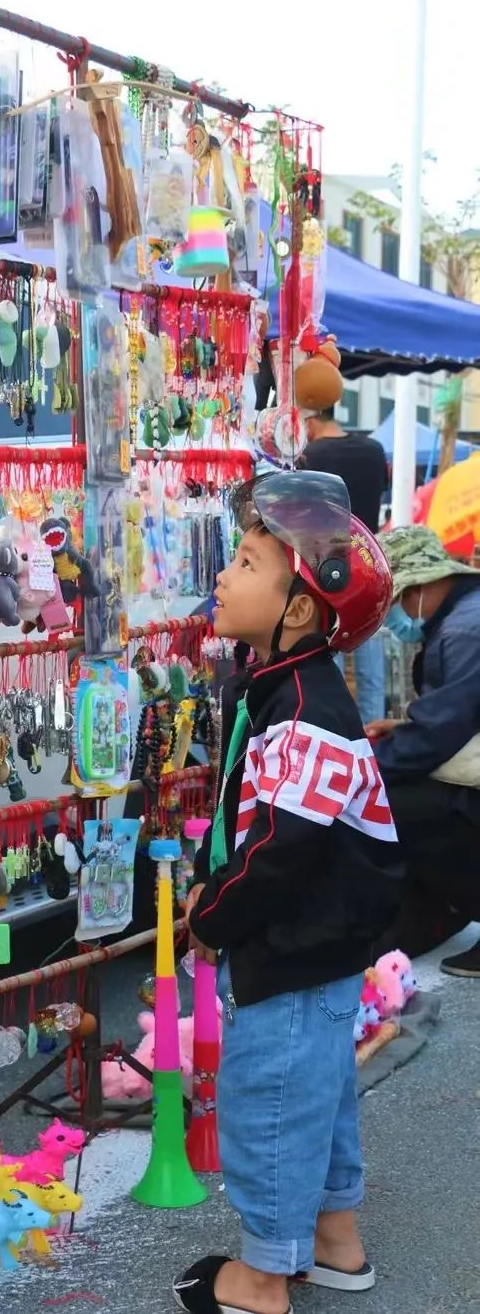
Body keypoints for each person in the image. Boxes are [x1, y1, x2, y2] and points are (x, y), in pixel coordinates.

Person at [174, 471, 402, 1314]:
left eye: (243, 562)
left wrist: (216, 912)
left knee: (270, 1095)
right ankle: (337, 1243)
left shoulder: (305, 707)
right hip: (320, 937)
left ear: (299, 610)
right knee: (321, 1088)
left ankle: (265, 1277)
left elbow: (277, 849)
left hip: (299, 940)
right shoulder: (283, 685)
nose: (224, 576)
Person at [366, 525, 480, 975]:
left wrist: (364, 771)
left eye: (392, 604)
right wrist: (401, 728)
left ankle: (453, 901)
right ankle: (435, 908)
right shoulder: (461, 617)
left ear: (421, 586)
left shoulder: (466, 630)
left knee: (392, 802)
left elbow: (438, 734)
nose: (392, 617)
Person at [300, 407, 390, 725]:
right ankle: (374, 734)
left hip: (326, 566)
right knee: (370, 658)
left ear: (309, 422)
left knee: (330, 652)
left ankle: (335, 730)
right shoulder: (374, 449)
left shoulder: (309, 456)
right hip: (371, 562)